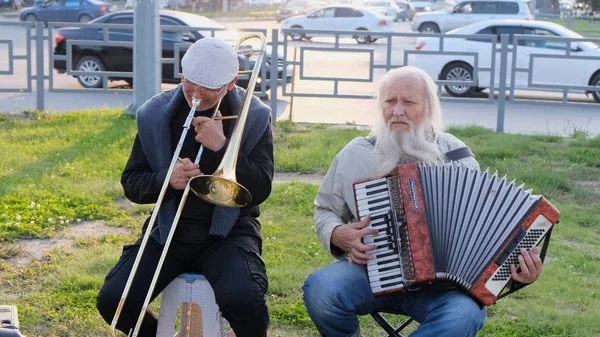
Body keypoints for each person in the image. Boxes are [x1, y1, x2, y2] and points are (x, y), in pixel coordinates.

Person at [302, 66, 543, 337]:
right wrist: (337, 234)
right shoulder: (357, 154)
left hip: (443, 289)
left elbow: (487, 229)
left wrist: (518, 273)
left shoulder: (457, 156)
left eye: (408, 102)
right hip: (371, 273)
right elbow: (325, 209)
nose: (397, 111)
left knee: (463, 315)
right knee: (321, 290)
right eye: (390, 101)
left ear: (428, 108)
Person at [96, 37, 273, 337]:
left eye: (208, 88)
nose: (196, 94)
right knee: (114, 301)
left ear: (230, 83)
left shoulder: (254, 115)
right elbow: (132, 182)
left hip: (230, 234)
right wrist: (167, 180)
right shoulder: (154, 114)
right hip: (169, 230)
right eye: (190, 83)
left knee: (247, 303)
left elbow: (262, 188)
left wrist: (223, 145)